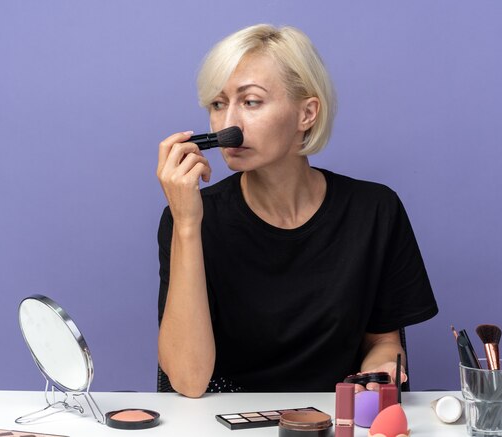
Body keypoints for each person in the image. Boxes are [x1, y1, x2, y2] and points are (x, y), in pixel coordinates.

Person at [156, 24, 438, 398]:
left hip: (336, 419)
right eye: (218, 104)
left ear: (307, 113)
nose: (228, 124)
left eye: (251, 101)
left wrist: (380, 369)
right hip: (224, 423)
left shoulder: (375, 211)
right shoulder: (190, 216)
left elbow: (383, 342)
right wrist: (187, 225)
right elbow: (189, 381)